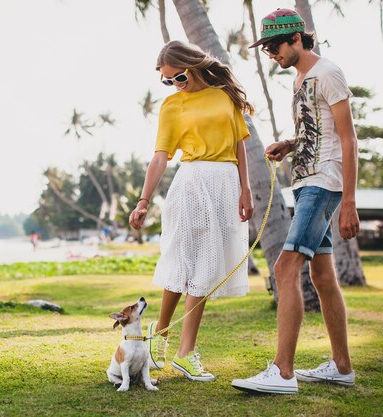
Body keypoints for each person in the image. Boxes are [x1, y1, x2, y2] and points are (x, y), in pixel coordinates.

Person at [231, 9, 360, 395]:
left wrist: (349, 200)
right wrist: (290, 145)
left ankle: (282, 373)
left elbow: (348, 138)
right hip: (306, 183)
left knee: (285, 269)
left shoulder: (328, 73)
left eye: (274, 46)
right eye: (266, 48)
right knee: (322, 276)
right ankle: (342, 367)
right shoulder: (302, 79)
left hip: (324, 183)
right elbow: (316, 131)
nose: (271, 54)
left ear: (297, 39)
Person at [129, 40, 254, 382]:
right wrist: (143, 201)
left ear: (193, 66)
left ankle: (174, 343)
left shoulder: (225, 96)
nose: (175, 84)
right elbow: (160, 156)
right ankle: (172, 341)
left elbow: (240, 146)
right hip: (192, 183)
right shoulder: (172, 106)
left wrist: (246, 189)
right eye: (168, 80)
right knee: (183, 263)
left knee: (206, 266)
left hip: (225, 184)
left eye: (179, 77)